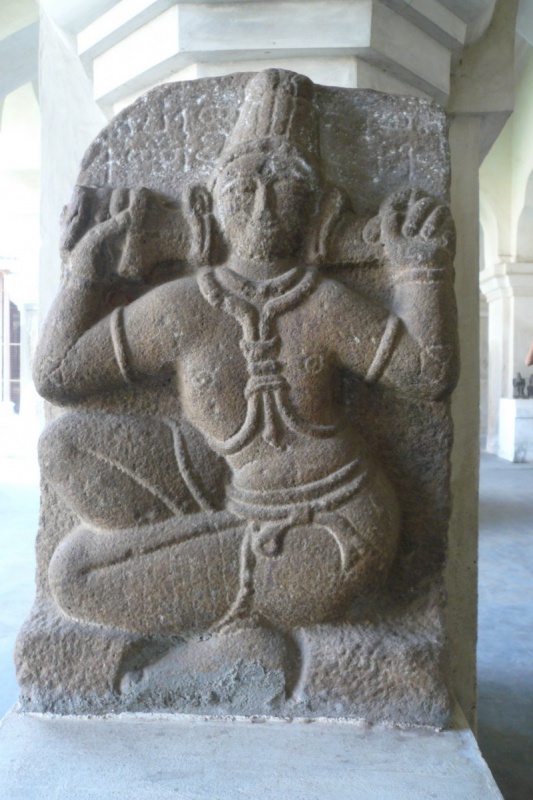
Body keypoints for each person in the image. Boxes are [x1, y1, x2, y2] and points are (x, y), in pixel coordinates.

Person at [34, 70, 458, 656]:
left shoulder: (323, 304)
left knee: (75, 576)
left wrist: (420, 270)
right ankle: (213, 577)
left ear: (319, 208)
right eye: (243, 189)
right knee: (64, 447)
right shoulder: (182, 307)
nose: (262, 208)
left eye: (284, 189)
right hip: (231, 486)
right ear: (206, 203)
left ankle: (237, 653)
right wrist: (85, 270)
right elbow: (57, 376)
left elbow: (428, 374)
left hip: (331, 528)